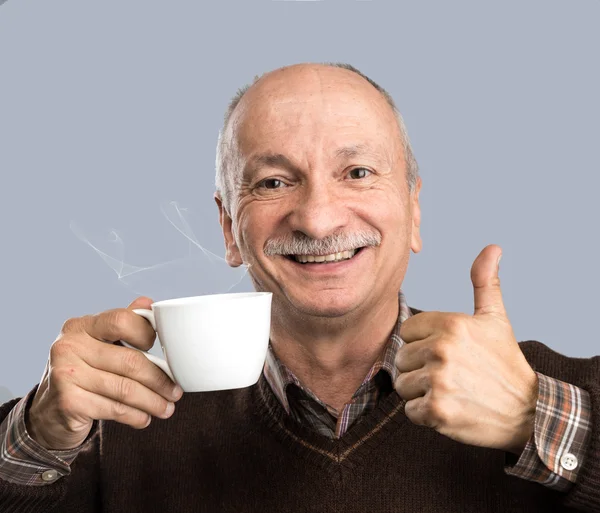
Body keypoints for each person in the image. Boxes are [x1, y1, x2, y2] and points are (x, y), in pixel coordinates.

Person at [0, 62, 598, 513]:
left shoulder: (565, 393)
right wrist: (40, 435)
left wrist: (534, 418)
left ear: (414, 211)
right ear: (229, 228)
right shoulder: (116, 416)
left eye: (358, 173)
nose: (317, 218)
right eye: (273, 181)